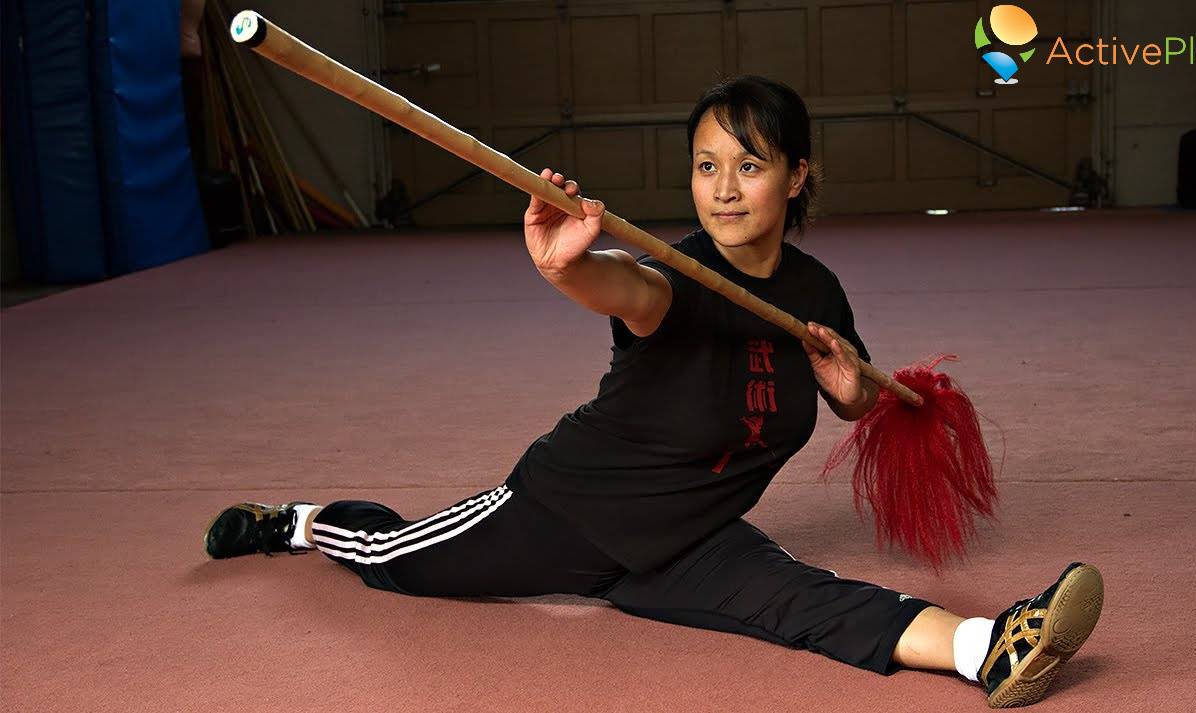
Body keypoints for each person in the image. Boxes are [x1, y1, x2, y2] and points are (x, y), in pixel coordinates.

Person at [203, 75, 1103, 708]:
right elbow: (628, 289)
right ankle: (300, 519)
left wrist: (854, 395)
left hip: (689, 539)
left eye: (749, 166)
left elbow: (853, 395)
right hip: (566, 509)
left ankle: (990, 645)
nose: (723, 189)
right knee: (394, 559)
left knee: (806, 601)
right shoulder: (677, 276)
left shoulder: (817, 292)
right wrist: (565, 267)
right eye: (706, 165)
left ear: (797, 177)